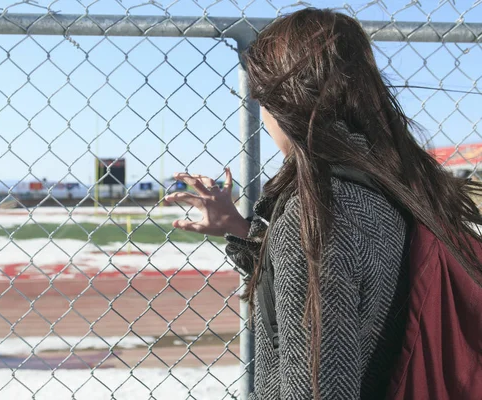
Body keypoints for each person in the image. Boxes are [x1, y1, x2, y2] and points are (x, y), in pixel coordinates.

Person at [164, 8, 482, 400]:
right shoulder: (395, 183)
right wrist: (243, 230)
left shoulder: (318, 214)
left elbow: (317, 384)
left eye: (261, 101)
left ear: (285, 103)